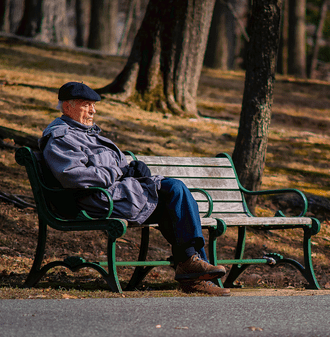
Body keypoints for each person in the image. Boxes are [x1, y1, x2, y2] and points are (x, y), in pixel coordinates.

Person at [39, 81, 230, 296]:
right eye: (86, 104)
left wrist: (134, 168)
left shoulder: (88, 133)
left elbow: (115, 165)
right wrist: (119, 173)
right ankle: (193, 271)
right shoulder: (62, 137)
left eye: (93, 105)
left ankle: (192, 267)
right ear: (67, 107)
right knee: (174, 194)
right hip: (99, 201)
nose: (93, 110)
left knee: (176, 192)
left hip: (120, 194)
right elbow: (73, 176)